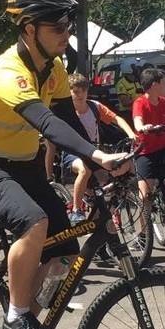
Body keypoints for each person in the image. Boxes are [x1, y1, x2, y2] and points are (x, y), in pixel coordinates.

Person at [0, 0, 128, 329]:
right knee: (34, 221)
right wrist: (96, 156)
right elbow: (47, 123)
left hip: (23, 164)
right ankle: (16, 317)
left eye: (67, 25)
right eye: (57, 28)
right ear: (30, 29)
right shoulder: (6, 71)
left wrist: (96, 166)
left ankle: (24, 324)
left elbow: (69, 120)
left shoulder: (56, 68)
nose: (66, 34)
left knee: (66, 254)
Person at [62, 73, 135, 223]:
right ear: (69, 92)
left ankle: (100, 214)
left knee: (118, 167)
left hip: (95, 152)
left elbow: (117, 119)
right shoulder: (66, 112)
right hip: (73, 154)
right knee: (85, 169)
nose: (80, 95)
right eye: (75, 91)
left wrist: (131, 134)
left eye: (83, 91)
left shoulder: (94, 107)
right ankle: (76, 210)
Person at [132, 67, 165, 214]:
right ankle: (145, 234)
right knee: (144, 196)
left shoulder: (164, 101)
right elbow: (137, 120)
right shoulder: (140, 102)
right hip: (146, 152)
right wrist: (142, 127)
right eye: (164, 83)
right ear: (154, 85)